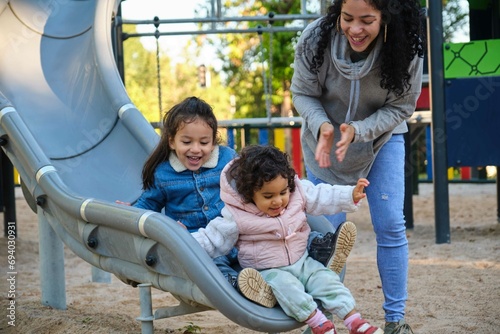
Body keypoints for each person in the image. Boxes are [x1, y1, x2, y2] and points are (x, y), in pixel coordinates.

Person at [290, 0, 425, 333]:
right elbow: (302, 93)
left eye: (367, 20)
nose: (355, 29)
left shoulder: (404, 46)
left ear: (386, 17)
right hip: (326, 143)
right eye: (347, 18)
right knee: (327, 236)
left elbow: (401, 106)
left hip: (381, 138)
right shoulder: (315, 38)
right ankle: (322, 320)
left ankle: (395, 320)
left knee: (391, 223)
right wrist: (323, 125)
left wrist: (360, 130)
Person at [192, 145, 382, 334]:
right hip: (268, 270)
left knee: (327, 280)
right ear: (250, 194)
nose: (278, 201)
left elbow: (321, 195)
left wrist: (349, 195)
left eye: (283, 192)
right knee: (287, 287)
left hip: (303, 260)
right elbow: (212, 238)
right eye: (268, 196)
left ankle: (355, 322)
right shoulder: (237, 216)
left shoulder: (297, 193)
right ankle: (319, 324)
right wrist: (181, 243)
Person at [124, 96, 277, 306]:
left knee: (265, 250)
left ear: (213, 141)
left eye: (204, 142)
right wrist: (129, 213)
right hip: (197, 246)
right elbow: (148, 205)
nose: (196, 149)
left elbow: (249, 187)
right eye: (186, 142)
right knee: (214, 266)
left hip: (234, 236)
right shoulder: (163, 174)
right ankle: (236, 287)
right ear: (171, 141)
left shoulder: (227, 160)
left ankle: (281, 277)